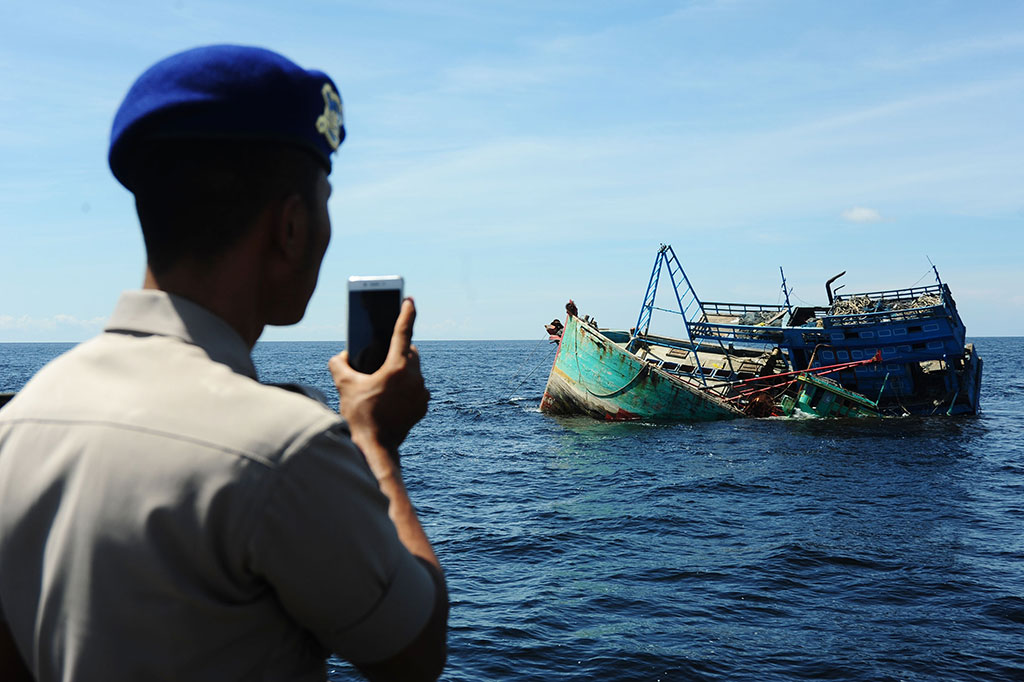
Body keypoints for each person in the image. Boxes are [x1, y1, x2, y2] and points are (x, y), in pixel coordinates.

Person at [0, 45, 447, 681]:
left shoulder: (22, 424)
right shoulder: (285, 449)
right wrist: (376, 442)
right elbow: (416, 653)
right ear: (290, 227)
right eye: (323, 201)